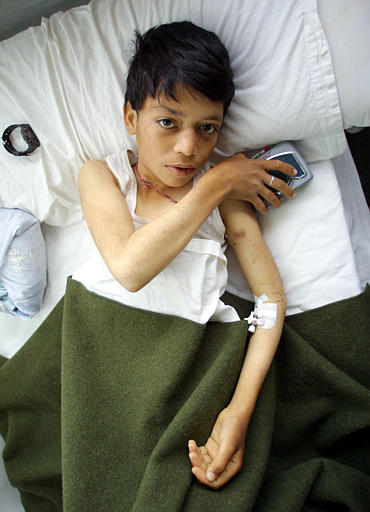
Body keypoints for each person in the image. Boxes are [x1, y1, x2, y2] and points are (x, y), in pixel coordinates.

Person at [74, 21, 296, 489]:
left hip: (187, 370)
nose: (188, 148)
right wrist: (216, 181)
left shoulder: (228, 197)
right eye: (168, 122)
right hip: (102, 361)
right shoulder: (104, 177)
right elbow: (130, 269)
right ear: (131, 118)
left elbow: (271, 298)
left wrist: (238, 410)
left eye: (208, 128)